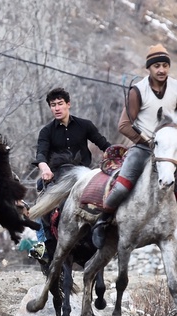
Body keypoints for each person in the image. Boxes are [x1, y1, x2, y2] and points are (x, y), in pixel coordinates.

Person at [91, 44, 177, 248]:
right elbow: (123, 125)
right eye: (157, 66)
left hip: (167, 151)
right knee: (121, 188)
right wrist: (146, 140)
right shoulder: (138, 91)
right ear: (149, 68)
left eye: (165, 65)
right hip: (143, 147)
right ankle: (101, 222)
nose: (162, 70)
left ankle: (159, 224)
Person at [32, 87, 111, 258]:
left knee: (107, 198)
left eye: (60, 104)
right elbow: (41, 153)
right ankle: (42, 245)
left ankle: (106, 236)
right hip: (58, 176)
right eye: (53, 105)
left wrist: (118, 155)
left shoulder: (85, 125)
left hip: (84, 175)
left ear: (69, 104)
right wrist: (44, 168)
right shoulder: (46, 131)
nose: (57, 108)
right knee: (40, 199)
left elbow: (103, 143)